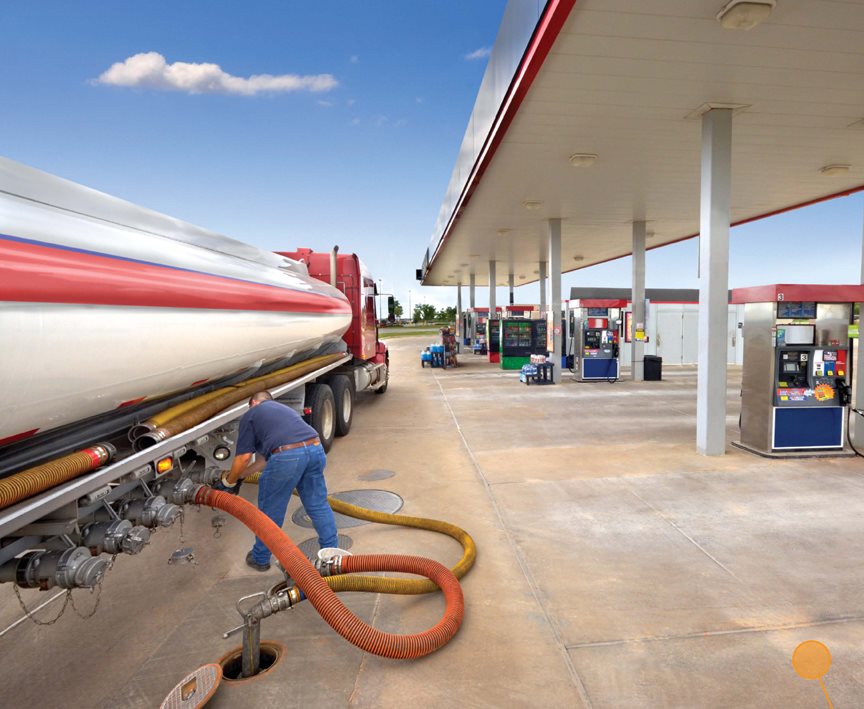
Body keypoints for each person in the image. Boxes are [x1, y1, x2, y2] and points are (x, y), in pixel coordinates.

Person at [215, 390, 338, 572]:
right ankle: (332, 556)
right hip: (315, 447)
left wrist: (229, 482)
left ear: (254, 403)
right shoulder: (282, 410)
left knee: (270, 510)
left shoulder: (252, 414)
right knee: (318, 504)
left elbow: (243, 458)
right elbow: (262, 461)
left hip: (287, 455)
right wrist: (241, 476)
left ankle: (260, 558)